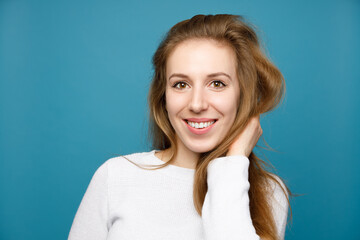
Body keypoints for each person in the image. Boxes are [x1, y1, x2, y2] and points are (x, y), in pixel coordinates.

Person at [68, 14, 292, 240]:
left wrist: (234, 162)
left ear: (243, 94)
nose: (196, 104)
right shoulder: (116, 177)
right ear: (164, 96)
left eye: (217, 83)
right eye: (181, 84)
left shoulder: (269, 193)